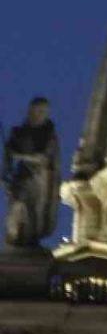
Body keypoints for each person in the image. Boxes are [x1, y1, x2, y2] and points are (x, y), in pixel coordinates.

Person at [3, 98, 59, 249]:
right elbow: (8, 157)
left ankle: (30, 240)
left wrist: (20, 156)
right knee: (18, 204)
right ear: (30, 111)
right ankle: (15, 238)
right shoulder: (18, 133)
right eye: (39, 111)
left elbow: (44, 158)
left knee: (35, 210)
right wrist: (4, 177)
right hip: (21, 177)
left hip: (40, 179)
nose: (42, 115)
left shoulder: (48, 134)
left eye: (44, 112)